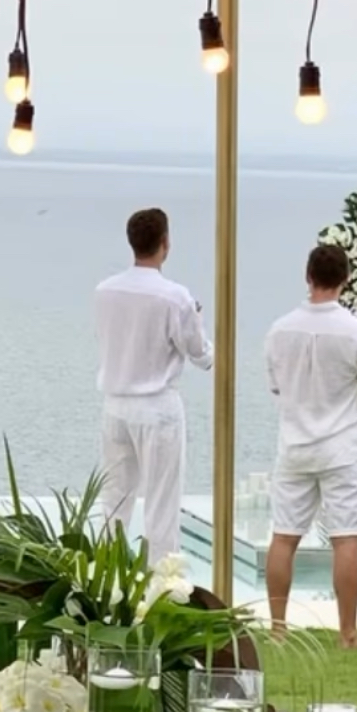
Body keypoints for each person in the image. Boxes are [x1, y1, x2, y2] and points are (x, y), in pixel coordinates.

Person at [264, 241, 357, 649]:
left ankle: (278, 628)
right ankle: (348, 632)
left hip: (295, 445)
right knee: (346, 538)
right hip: (342, 447)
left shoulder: (280, 329)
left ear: (308, 277)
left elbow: (277, 386)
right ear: (345, 279)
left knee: (284, 536)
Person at [94, 207, 213, 563]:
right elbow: (199, 353)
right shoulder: (174, 297)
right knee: (162, 504)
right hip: (157, 406)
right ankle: (161, 583)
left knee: (114, 500)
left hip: (115, 404)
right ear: (165, 243)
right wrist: (198, 321)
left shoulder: (105, 291)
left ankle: (106, 577)